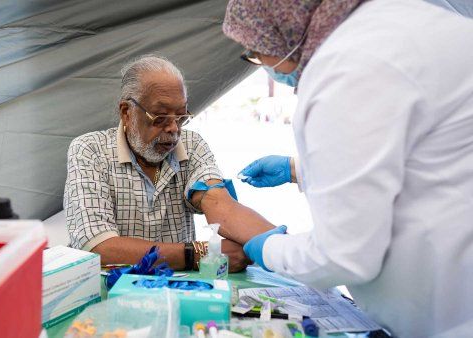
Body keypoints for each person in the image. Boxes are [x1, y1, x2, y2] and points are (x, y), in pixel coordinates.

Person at [221, 0, 473, 336]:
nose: (261, 62)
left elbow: (343, 255)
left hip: (447, 315)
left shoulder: (348, 66)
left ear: (286, 29)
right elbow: (417, 155)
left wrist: (266, 247)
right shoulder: (404, 23)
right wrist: (299, 169)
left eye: (256, 51)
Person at [64, 55, 277, 272]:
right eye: (161, 117)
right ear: (127, 113)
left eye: (181, 116)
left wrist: (282, 247)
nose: (174, 129)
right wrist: (196, 254)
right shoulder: (90, 150)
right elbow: (99, 248)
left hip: (177, 293)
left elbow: (219, 205)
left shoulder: (192, 146)